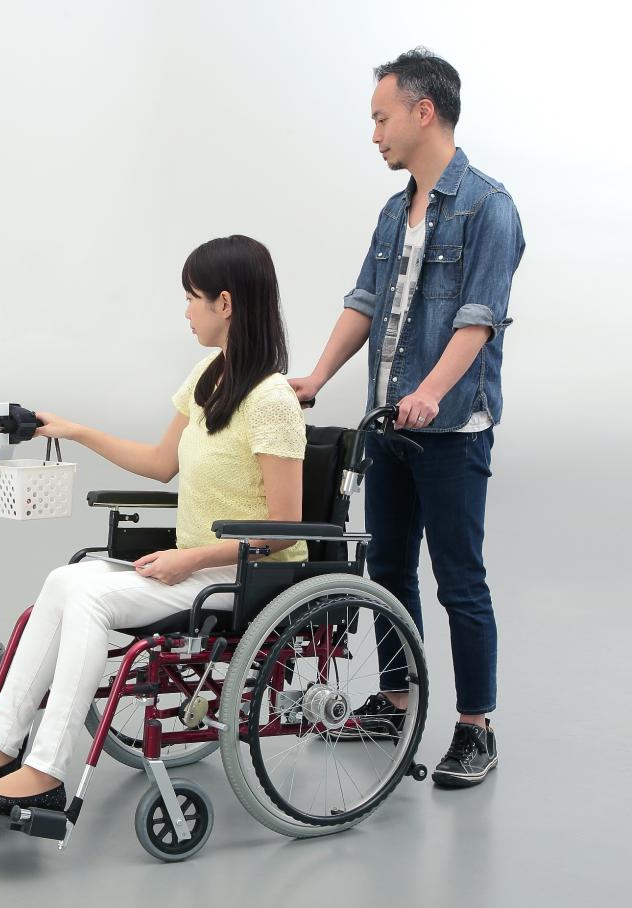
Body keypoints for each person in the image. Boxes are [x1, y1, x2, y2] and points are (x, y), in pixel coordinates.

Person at [0, 235, 308, 812]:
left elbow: (285, 529)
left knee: (90, 601)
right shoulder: (208, 377)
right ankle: (0, 745)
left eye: (192, 298)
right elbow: (160, 463)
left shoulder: (272, 401)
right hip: (199, 568)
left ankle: (45, 772)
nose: (186, 311)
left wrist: (190, 558)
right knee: (62, 581)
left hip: (246, 579)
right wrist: (75, 430)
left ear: (226, 303)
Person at [289, 48, 524, 787]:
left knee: (459, 579)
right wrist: (319, 378)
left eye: (381, 118)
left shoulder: (490, 207)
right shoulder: (396, 210)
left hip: (450, 432)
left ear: (424, 111)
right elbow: (364, 301)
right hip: (385, 427)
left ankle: (474, 728)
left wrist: (429, 391)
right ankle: (394, 701)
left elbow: (479, 320)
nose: (374, 134)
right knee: (387, 571)